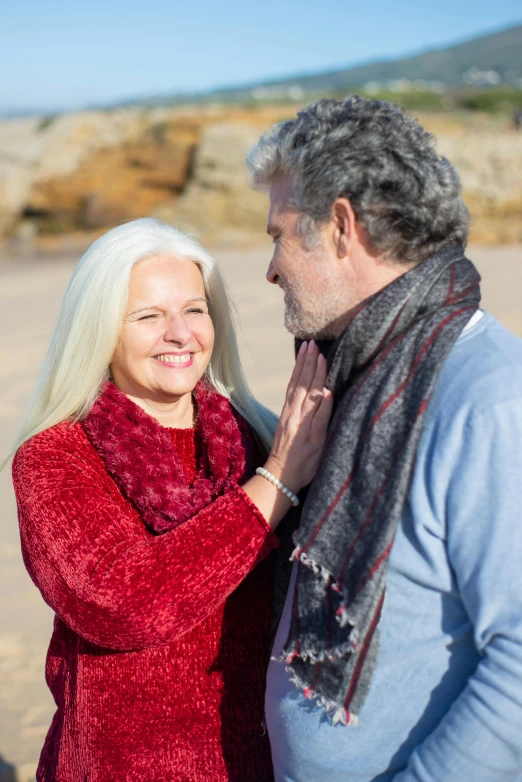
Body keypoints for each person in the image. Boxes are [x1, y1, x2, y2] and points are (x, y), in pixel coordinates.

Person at [247, 96, 522, 781]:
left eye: (279, 234)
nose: (271, 269)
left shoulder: (487, 398)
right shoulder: (356, 373)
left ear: (341, 226)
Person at [9, 218, 333, 781]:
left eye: (194, 309)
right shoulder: (55, 457)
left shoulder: (257, 434)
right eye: (148, 316)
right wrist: (276, 481)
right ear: (101, 329)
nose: (180, 334)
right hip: (121, 767)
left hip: (265, 759)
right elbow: (123, 603)